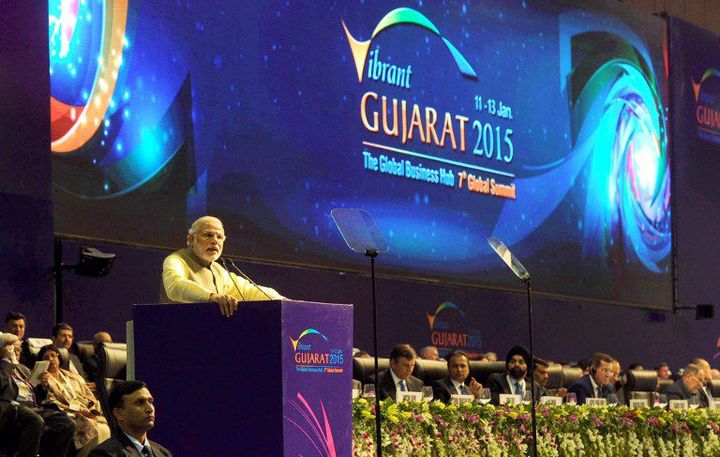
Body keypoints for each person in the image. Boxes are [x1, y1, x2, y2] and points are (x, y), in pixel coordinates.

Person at [160, 216, 284, 317]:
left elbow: (249, 290)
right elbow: (175, 286)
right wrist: (211, 297)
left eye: (219, 237)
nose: (215, 241)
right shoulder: (176, 260)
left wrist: (285, 301)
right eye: (208, 235)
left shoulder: (218, 269)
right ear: (191, 239)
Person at [0, 333, 76, 456]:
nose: (18, 352)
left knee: (67, 424)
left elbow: (37, 397)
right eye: (14, 349)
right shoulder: (2, 368)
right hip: (11, 409)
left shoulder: (23, 369)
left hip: (33, 407)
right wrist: (5, 361)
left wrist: (42, 385)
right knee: (36, 420)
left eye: (19, 349)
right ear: (4, 350)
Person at [37, 345, 110, 457]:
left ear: (59, 358)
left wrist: (93, 410)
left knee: (107, 425)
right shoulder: (44, 380)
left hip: (87, 411)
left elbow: (89, 396)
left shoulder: (74, 377)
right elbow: (51, 402)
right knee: (96, 429)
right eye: (46, 357)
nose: (51, 359)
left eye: (53, 355)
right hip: (69, 413)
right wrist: (81, 410)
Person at [89, 381, 172, 456]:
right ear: (119, 413)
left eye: (150, 402)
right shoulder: (104, 454)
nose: (150, 409)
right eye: (140, 402)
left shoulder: (164, 453)